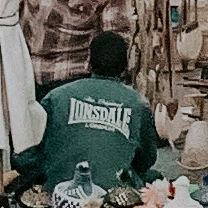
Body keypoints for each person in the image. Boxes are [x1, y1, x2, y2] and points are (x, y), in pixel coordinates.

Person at [16, 32, 163, 188]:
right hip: (113, 197)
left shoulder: (56, 96)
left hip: (60, 190)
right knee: (154, 177)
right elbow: (147, 159)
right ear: (124, 67)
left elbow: (29, 151)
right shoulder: (138, 104)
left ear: (89, 62)